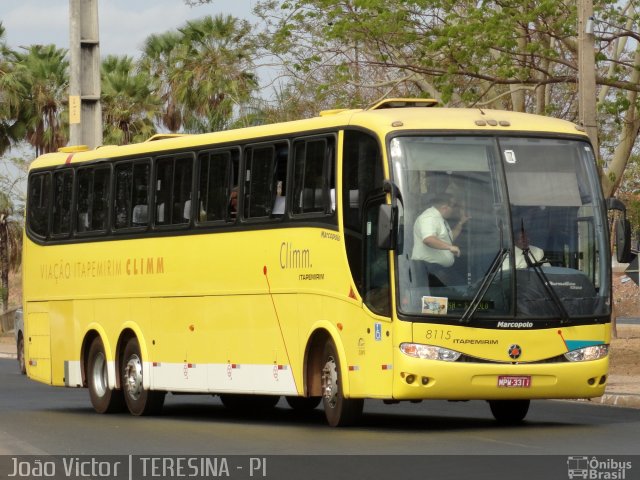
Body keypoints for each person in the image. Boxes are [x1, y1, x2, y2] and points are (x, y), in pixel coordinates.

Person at [411, 193, 470, 286]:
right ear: (444, 207)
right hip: (430, 269)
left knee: (462, 287)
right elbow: (428, 239)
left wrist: (460, 223)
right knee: (461, 289)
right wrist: (450, 247)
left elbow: (450, 238)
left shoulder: (439, 219)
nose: (454, 210)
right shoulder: (429, 217)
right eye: (453, 206)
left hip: (438, 269)